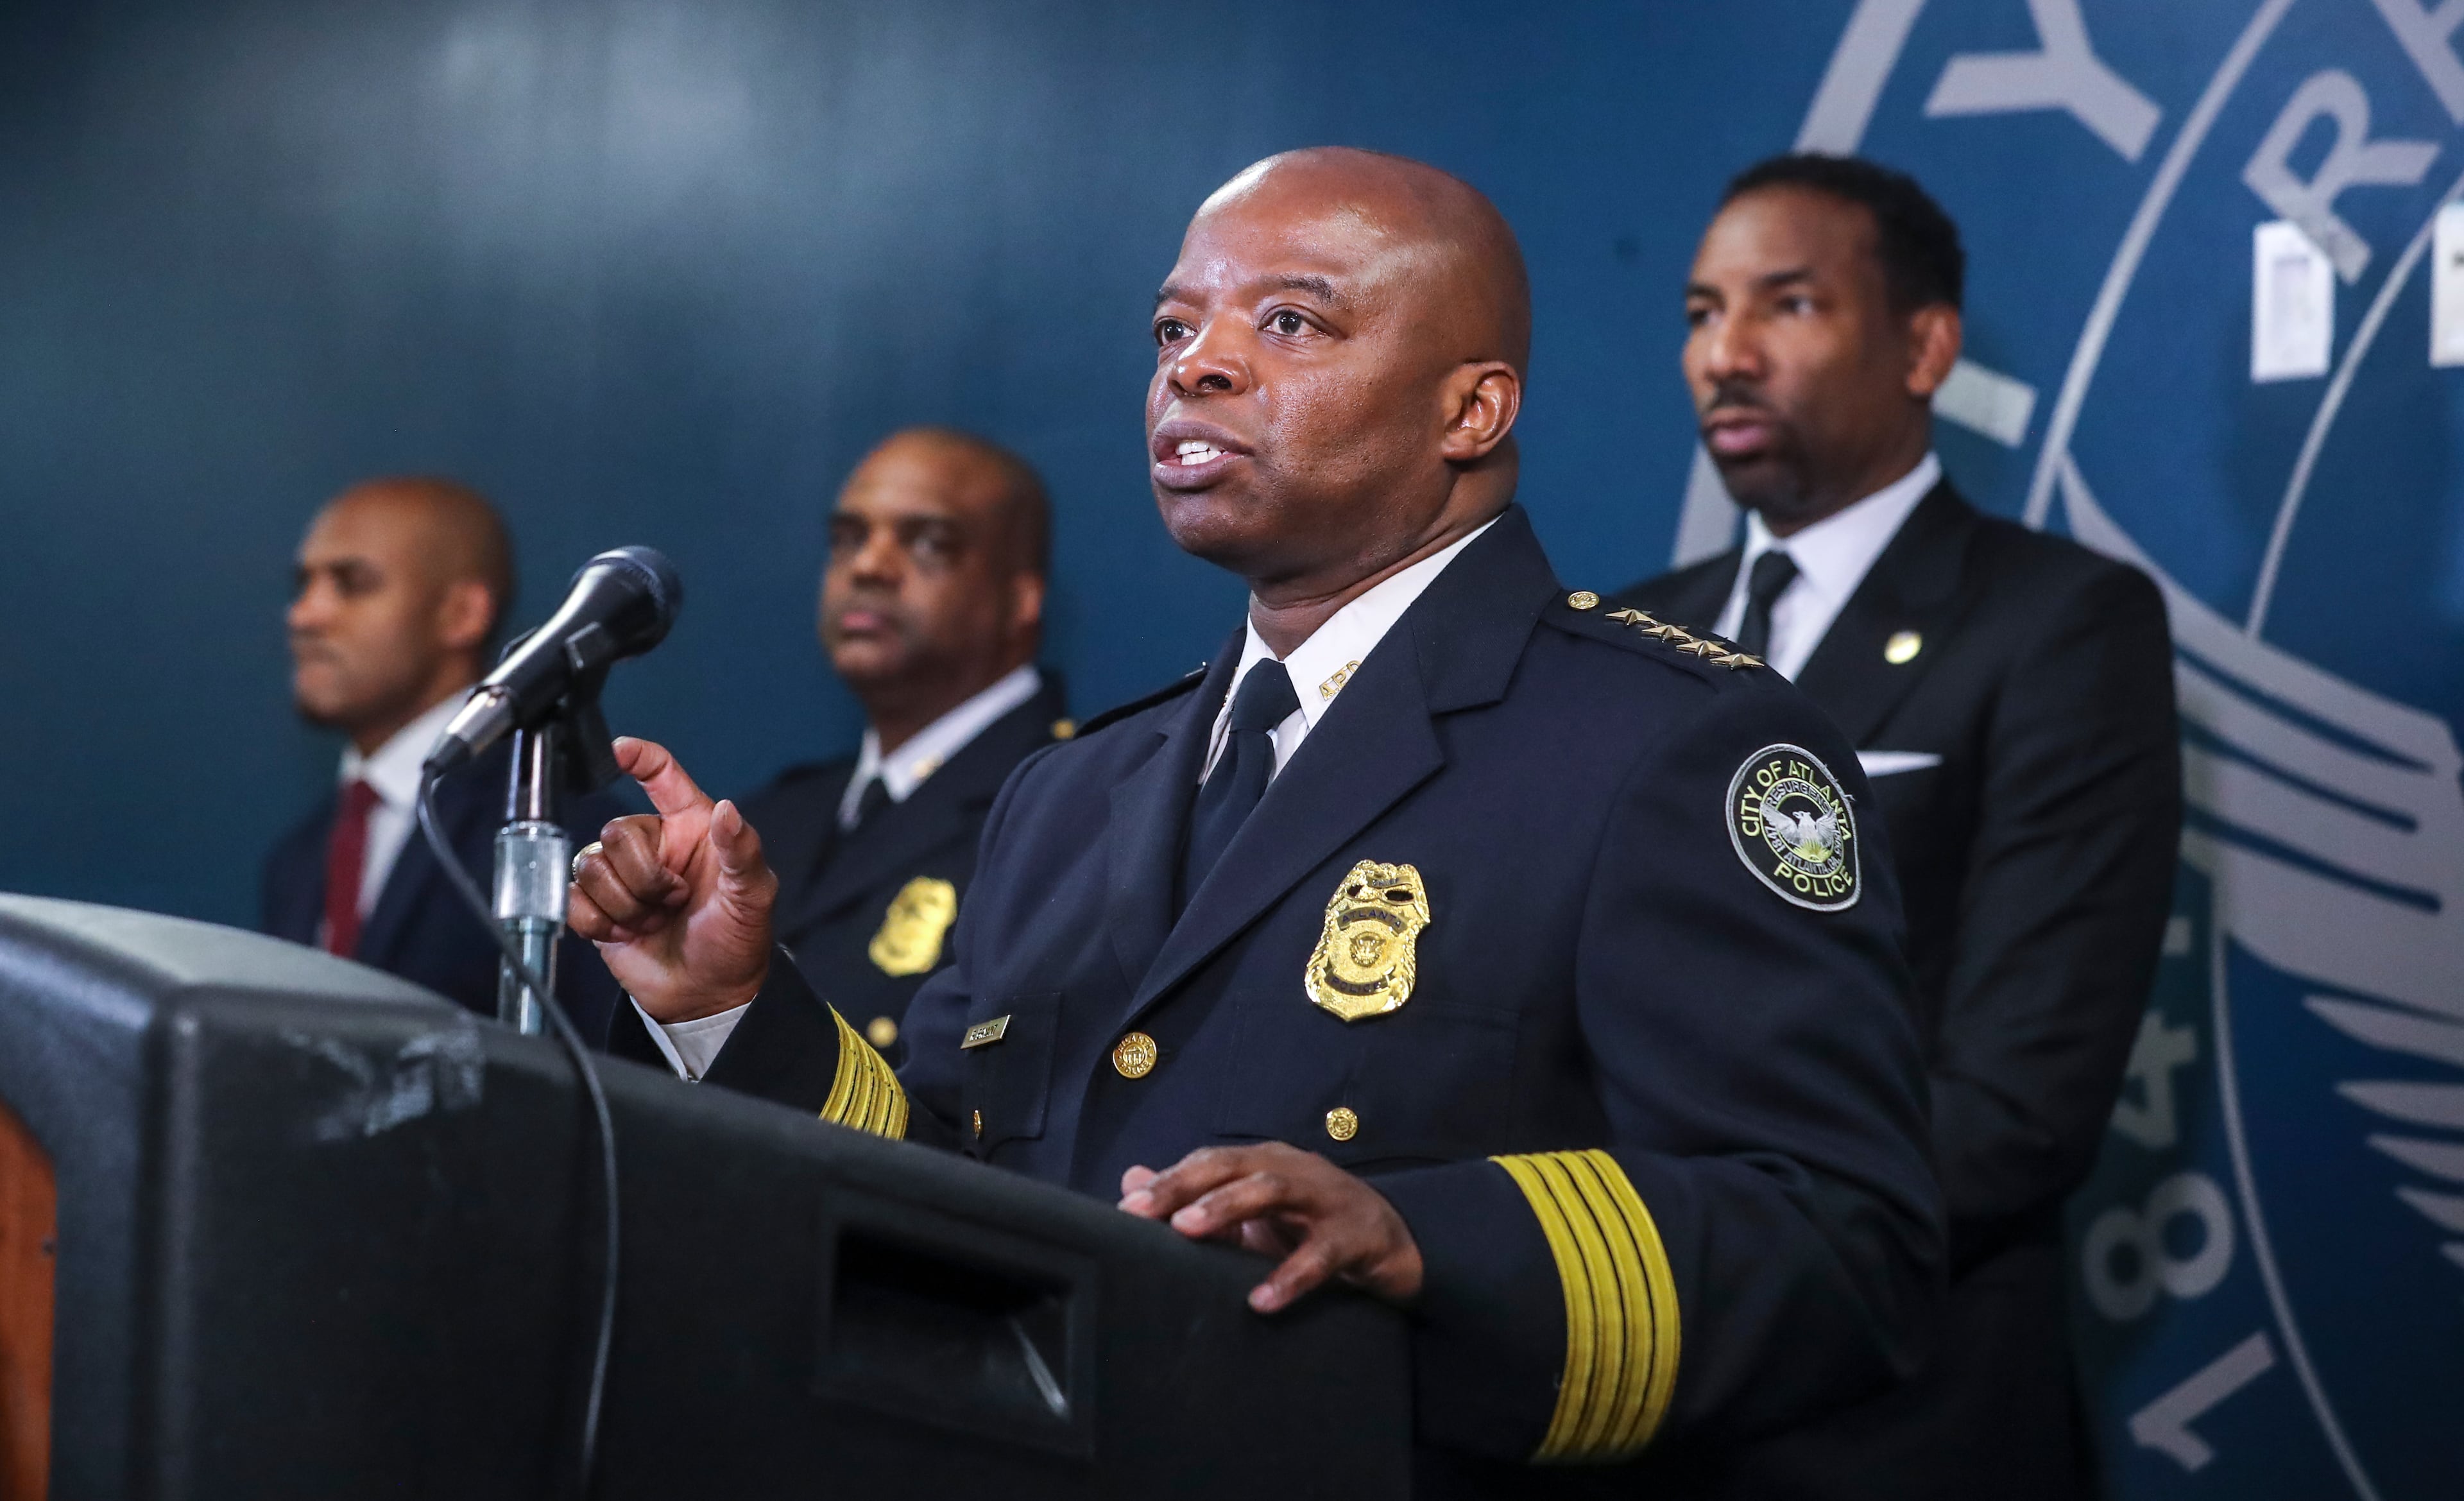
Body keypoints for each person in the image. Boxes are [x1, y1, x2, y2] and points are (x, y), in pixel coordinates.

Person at [572, 148, 1942, 1493]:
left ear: (1472, 409)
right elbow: (951, 1194)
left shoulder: (1667, 740)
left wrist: (1424, 1236)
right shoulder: (1070, 791)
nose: (1197, 364)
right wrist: (733, 1007)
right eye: (1176, 327)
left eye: (1288, 320)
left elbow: (1838, 1240)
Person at [1612, 154, 2181, 1499]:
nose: (1726, 355)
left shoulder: (2061, 622)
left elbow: (2016, 1102)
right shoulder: (1628, 633)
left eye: (1788, 306)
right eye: (1700, 312)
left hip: (1895, 1414)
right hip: (1619, 1407)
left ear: (1925, 345)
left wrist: (1671, 1246)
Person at [714, 429, 1067, 1067]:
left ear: (1023, 598)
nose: (869, 566)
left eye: (928, 542)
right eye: (848, 538)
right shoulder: (770, 819)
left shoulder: (1075, 809)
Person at [264, 477, 624, 1038]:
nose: (305, 614)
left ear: (462, 614)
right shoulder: (296, 860)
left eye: (352, 583)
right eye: (303, 583)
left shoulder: (565, 835)